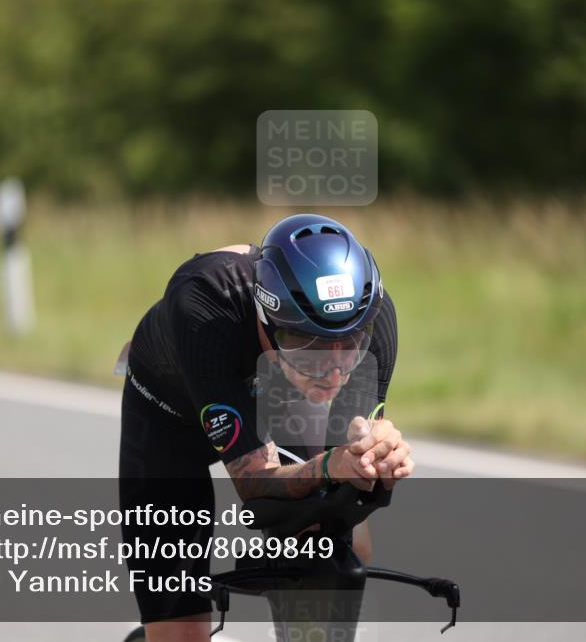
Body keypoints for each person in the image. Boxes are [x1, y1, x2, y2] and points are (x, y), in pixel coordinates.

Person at [118, 213, 413, 641]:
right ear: (266, 317)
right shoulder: (205, 302)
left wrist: (371, 460)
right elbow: (256, 487)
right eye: (308, 347)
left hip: (276, 393)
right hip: (171, 412)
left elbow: (341, 477)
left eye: (349, 345)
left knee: (333, 541)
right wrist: (329, 465)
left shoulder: (375, 321)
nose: (334, 372)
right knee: (180, 629)